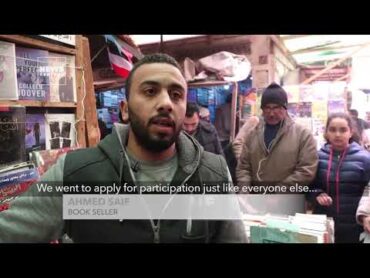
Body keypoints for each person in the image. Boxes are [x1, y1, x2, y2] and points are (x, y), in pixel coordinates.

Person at [0, 53, 246, 243]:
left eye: (176, 94)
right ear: (124, 109)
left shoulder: (212, 174)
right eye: (150, 91)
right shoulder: (76, 174)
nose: (165, 103)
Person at [236, 83, 318, 214]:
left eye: (276, 108)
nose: (272, 113)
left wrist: (278, 192)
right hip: (257, 205)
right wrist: (244, 190)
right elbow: (244, 166)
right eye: (267, 108)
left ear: (285, 108)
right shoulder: (253, 134)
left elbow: (306, 170)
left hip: (289, 204)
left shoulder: (302, 135)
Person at [308, 112, 370, 243]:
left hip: (355, 228)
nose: (337, 134)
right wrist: (317, 194)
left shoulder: (365, 159)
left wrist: (366, 215)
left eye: (343, 130)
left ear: (351, 132)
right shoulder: (316, 157)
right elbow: (308, 187)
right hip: (323, 226)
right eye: (332, 130)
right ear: (326, 133)